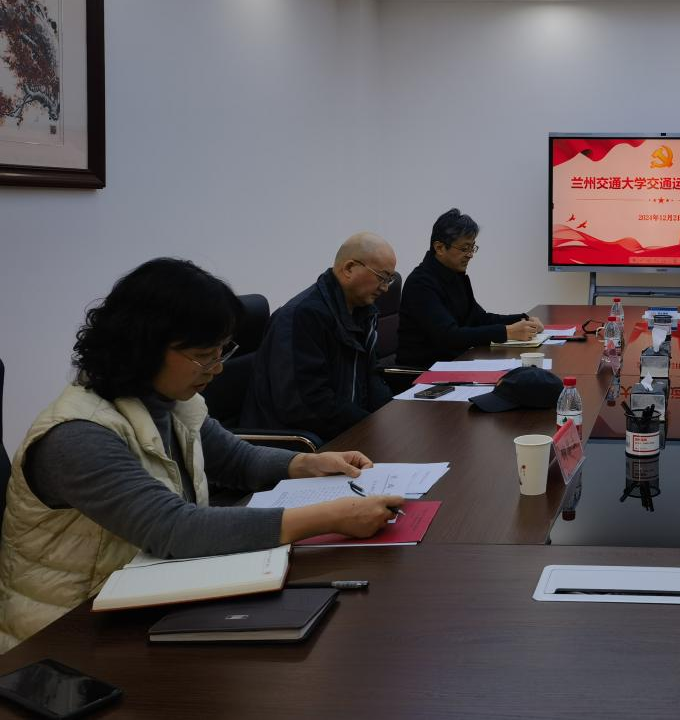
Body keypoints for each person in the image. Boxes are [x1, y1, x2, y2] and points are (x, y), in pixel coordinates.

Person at [0, 259, 403, 652]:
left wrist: (305, 464)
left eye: (222, 351)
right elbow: (175, 528)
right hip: (65, 636)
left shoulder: (170, 401)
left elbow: (234, 459)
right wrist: (332, 518)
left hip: (148, 598)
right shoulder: (77, 436)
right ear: (144, 346)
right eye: (204, 354)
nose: (217, 368)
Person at [243, 232, 395, 442]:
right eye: (382, 277)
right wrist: (369, 426)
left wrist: (389, 416)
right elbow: (305, 404)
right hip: (302, 443)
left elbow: (371, 376)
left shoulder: (364, 312)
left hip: (346, 427)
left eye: (389, 279)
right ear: (349, 268)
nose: (385, 288)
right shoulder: (302, 317)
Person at [397, 209, 542, 367]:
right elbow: (449, 336)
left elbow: (480, 319)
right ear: (439, 248)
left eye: (472, 248)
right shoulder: (420, 283)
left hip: (456, 363)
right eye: (464, 249)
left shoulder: (456, 276)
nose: (470, 255)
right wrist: (507, 332)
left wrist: (524, 320)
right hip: (426, 371)